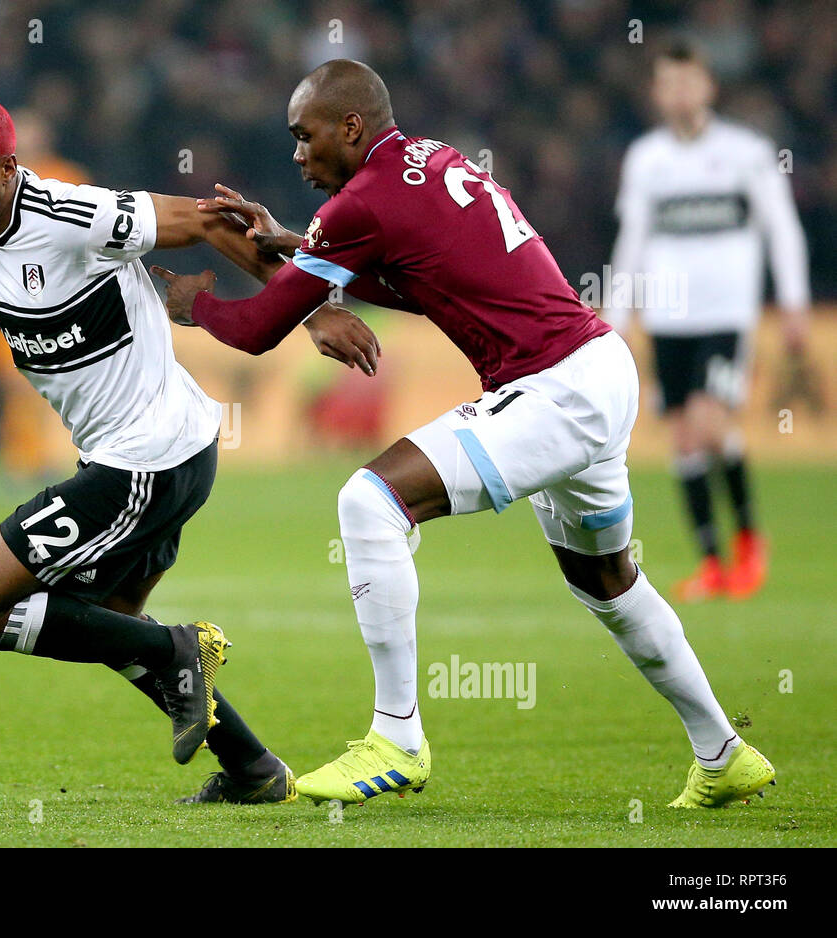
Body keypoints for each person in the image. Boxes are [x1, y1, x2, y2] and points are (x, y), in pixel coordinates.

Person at [154, 60, 775, 808]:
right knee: (607, 582)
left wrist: (195, 306)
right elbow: (427, 276)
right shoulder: (434, 158)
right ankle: (723, 753)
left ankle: (396, 740)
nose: (296, 154)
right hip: (594, 368)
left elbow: (256, 331)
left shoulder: (363, 202)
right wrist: (294, 246)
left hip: (554, 389)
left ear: (350, 127)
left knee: (369, 500)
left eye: (303, 135)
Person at [0, 93, 380, 805]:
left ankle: (182, 650)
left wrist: (311, 313)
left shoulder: (74, 214)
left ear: (7, 170)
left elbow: (209, 221)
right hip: (145, 457)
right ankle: (253, 768)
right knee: (113, 627)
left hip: (151, 458)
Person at [609, 41, 812, 601]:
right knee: (684, 439)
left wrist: (793, 302)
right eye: (668, 83)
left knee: (704, 420)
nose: (679, 92)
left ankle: (749, 542)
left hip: (726, 314)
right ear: (656, 92)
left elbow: (782, 228)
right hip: (669, 318)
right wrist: (618, 315)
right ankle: (712, 563)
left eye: (688, 81)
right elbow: (633, 239)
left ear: (708, 86)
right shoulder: (647, 158)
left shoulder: (746, 152)